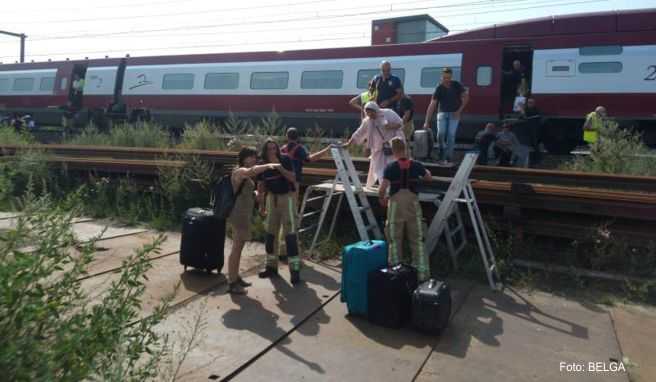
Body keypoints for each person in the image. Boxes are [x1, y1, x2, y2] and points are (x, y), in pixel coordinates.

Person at [226, 147, 282, 294]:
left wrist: (257, 194)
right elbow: (251, 171)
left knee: (239, 247)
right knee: (236, 248)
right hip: (237, 215)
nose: (253, 159)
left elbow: (247, 194)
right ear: (243, 158)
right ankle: (232, 282)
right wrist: (269, 166)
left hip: (244, 215)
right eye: (250, 157)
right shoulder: (239, 171)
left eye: (254, 157)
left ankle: (236, 277)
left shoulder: (247, 176)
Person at [378, 137, 432, 282]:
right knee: (417, 238)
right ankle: (422, 273)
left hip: (395, 205)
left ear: (393, 151)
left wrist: (381, 198)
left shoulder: (390, 168)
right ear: (406, 149)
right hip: (412, 204)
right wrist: (424, 171)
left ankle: (396, 273)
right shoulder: (416, 165)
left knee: (395, 239)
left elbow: (382, 189)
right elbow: (428, 178)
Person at [257, 139, 302, 285]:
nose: (272, 152)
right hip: (271, 199)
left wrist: (279, 167)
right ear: (265, 151)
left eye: (274, 149)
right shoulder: (262, 164)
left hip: (286, 198)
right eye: (269, 149)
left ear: (277, 149)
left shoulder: (286, 159)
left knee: (290, 236)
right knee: (270, 235)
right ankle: (271, 267)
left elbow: (293, 178)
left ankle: (294, 271)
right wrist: (261, 205)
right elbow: (261, 185)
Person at [345, 101, 405, 188]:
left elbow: (400, 123)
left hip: (393, 147)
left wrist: (389, 126)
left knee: (393, 167)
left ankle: (394, 186)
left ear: (375, 110)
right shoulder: (367, 121)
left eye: (371, 112)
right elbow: (359, 132)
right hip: (378, 149)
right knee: (379, 169)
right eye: (368, 113)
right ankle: (384, 187)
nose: (370, 115)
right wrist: (349, 143)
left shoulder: (388, 113)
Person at [422, 67, 469, 166]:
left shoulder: (457, 85)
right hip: (442, 113)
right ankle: (441, 152)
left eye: (448, 78)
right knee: (441, 133)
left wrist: (459, 111)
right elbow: (432, 105)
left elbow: (466, 97)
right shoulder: (439, 88)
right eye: (444, 78)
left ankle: (448, 157)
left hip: (454, 114)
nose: (446, 80)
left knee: (451, 135)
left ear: (451, 77)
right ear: (441, 77)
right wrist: (426, 121)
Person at [281, 127, 332, 192]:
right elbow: (309, 159)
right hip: (294, 179)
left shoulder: (282, 149)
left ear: (287, 136)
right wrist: (326, 149)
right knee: (292, 199)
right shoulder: (299, 148)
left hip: (283, 178)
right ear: (297, 137)